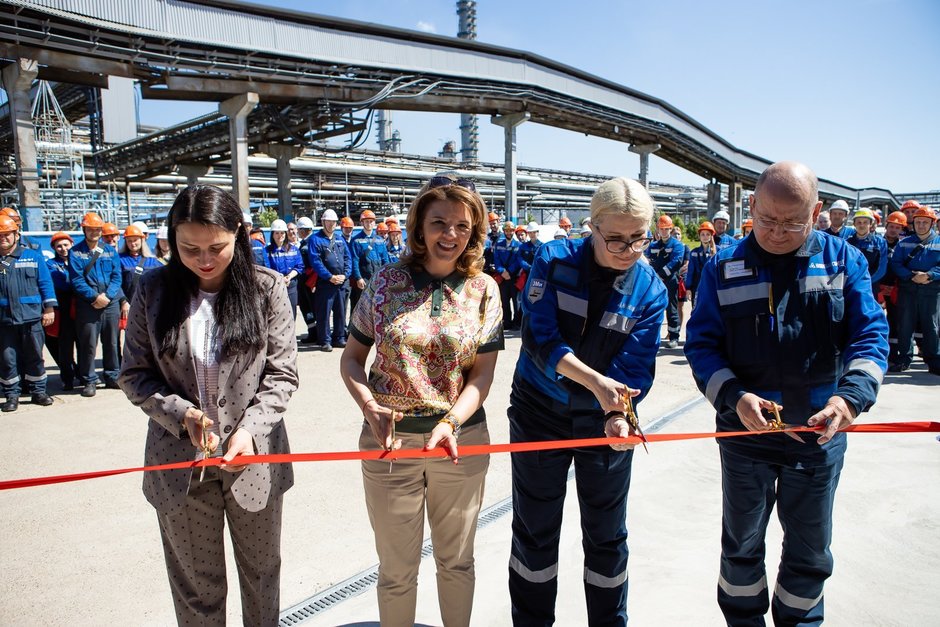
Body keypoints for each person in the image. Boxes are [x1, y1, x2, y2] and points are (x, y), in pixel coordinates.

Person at [684, 161, 888, 626]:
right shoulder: (723, 268)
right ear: (751, 206)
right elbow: (702, 346)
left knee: (810, 549)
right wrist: (735, 397)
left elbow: (870, 336)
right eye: (768, 220)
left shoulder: (843, 261)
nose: (777, 233)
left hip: (819, 433)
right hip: (745, 436)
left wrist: (849, 398)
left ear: (815, 212)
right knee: (741, 545)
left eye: (792, 223)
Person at [118, 184, 297, 626]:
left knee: (261, 577)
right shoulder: (153, 290)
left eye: (216, 247)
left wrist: (249, 431)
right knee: (197, 587)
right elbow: (134, 374)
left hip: (253, 462)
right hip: (180, 464)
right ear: (171, 239)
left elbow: (282, 374)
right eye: (189, 248)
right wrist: (182, 414)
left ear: (239, 233)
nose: (203, 259)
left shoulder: (266, 289)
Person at [340, 174, 503, 627]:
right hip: (389, 444)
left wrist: (450, 422)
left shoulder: (484, 289)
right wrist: (367, 404)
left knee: (457, 562)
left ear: (474, 231)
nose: (450, 235)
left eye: (462, 226)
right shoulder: (384, 282)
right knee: (395, 571)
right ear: (418, 226)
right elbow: (352, 359)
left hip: (460, 442)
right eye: (439, 223)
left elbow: (483, 374)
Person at [508, 176, 666, 625]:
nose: (628, 250)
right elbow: (540, 338)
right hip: (541, 412)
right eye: (614, 238)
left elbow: (636, 367)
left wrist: (618, 414)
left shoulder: (649, 288)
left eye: (639, 237)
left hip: (603, 423)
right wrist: (597, 383)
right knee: (535, 533)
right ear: (590, 227)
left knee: (607, 536)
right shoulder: (553, 260)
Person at [0, 215, 57, 411]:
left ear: (16, 234)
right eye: (0, 235)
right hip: (4, 319)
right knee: (7, 358)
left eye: (7, 234)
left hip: (31, 316)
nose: (3, 238)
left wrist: (49, 308)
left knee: (35, 355)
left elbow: (45, 283)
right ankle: (12, 395)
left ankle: (39, 392)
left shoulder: (32, 256)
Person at [69, 211, 122, 397]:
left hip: (110, 303)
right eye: (91, 229)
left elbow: (117, 277)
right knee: (88, 344)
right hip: (88, 305)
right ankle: (89, 380)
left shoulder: (110, 251)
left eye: (97, 229)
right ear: (84, 230)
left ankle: (112, 376)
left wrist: (107, 296)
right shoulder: (75, 252)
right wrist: (94, 297)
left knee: (112, 342)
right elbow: (76, 280)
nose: (95, 233)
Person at [888, 206, 940, 374]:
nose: (921, 225)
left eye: (925, 222)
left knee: (931, 326)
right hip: (908, 288)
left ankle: (934, 361)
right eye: (918, 222)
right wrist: (911, 275)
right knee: (905, 325)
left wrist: (930, 275)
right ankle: (904, 359)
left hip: (931, 289)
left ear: (932, 223)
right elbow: (895, 263)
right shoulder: (904, 243)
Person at [307, 208, 351, 351]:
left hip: (341, 283)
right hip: (326, 283)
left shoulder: (339, 239)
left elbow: (347, 258)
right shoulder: (315, 239)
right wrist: (330, 277)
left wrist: (345, 275)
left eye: (333, 222)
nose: (331, 224)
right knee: (324, 313)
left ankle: (339, 338)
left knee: (341, 311)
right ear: (323, 222)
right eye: (329, 222)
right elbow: (316, 262)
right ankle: (325, 340)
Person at [45, 231, 77, 390]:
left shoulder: (79, 261)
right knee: (65, 347)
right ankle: (68, 378)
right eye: (59, 246)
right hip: (64, 311)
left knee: (85, 346)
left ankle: (83, 375)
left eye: (66, 245)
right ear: (54, 248)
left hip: (81, 309)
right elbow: (61, 283)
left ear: (71, 244)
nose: (63, 249)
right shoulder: (51, 264)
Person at [646, 214, 684, 348]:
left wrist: (660, 275)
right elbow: (647, 260)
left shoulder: (677, 245)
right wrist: (653, 275)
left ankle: (674, 337)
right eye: (661, 229)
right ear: (658, 229)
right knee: (653, 309)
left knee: (671, 309)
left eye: (666, 229)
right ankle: (651, 336)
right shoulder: (653, 245)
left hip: (670, 282)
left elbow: (676, 262)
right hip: (654, 282)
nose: (664, 231)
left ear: (670, 229)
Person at [350, 210, 391, 312]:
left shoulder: (380, 240)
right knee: (362, 307)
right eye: (366, 221)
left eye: (371, 221)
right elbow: (354, 260)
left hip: (378, 278)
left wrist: (385, 277)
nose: (369, 224)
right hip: (364, 279)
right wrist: (358, 278)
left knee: (377, 306)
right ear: (362, 223)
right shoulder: (356, 240)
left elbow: (385, 260)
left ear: (374, 223)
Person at [880, 211, 907, 364]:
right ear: (886, 226)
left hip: (896, 289)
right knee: (876, 320)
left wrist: (894, 287)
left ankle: (893, 353)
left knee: (895, 321)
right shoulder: (877, 242)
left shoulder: (902, 246)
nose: (893, 230)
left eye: (897, 227)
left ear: (901, 229)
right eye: (891, 226)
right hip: (878, 289)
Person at [265, 219, 305, 321]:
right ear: (272, 234)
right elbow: (266, 268)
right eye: (277, 233)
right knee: (276, 316)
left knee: (291, 314)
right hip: (274, 287)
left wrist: (289, 277)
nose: (280, 235)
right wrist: (279, 280)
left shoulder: (294, 249)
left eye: (282, 233)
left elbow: (299, 266)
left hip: (291, 286)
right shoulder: (267, 251)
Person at [118, 224, 162, 306]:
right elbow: (116, 283)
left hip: (149, 304)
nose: (133, 243)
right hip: (128, 305)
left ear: (142, 240)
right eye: (129, 241)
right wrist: (123, 301)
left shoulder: (153, 261)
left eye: (135, 240)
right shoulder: (120, 259)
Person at [846, 209, 888, 293]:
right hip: (850, 287)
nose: (862, 225)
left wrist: (866, 282)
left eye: (865, 222)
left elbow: (881, 269)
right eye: (859, 222)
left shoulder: (880, 243)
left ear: (871, 224)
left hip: (871, 287)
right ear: (854, 224)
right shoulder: (847, 243)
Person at [494, 220, 521, 330]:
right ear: (504, 231)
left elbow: (518, 261)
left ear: (514, 231)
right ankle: (507, 322)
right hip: (503, 278)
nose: (508, 233)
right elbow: (496, 260)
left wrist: (509, 272)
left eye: (511, 230)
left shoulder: (519, 245)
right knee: (504, 301)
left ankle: (516, 322)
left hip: (513, 277)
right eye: (506, 230)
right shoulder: (498, 245)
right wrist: (502, 271)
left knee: (516, 302)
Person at [296, 216, 318, 344]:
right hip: (307, 282)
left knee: (308, 308)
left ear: (303, 230)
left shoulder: (308, 245)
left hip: (308, 282)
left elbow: (312, 265)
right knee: (309, 308)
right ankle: (314, 332)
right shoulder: (310, 242)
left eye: (299, 230)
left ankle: (314, 333)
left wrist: (312, 282)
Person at [686, 221, 718, 308]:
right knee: (696, 310)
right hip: (697, 286)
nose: (705, 237)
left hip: (712, 286)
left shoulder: (717, 251)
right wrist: (688, 288)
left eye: (707, 234)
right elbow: (690, 271)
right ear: (699, 236)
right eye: (702, 234)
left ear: (712, 235)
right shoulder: (694, 252)